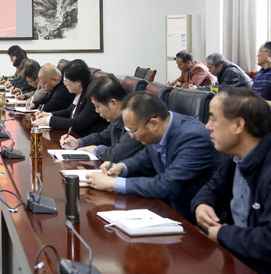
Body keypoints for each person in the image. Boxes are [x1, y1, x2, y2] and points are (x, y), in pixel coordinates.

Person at [192, 89, 271, 274]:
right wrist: (202, 205)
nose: (207, 127)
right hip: (237, 257)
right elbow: (212, 188)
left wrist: (222, 234)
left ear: (238, 125)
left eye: (213, 119)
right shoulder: (235, 155)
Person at [86, 91, 219, 223]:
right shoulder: (161, 129)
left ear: (154, 124)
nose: (132, 136)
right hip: (165, 209)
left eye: (134, 131)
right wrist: (121, 167)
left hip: (192, 218)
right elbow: (143, 159)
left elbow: (166, 185)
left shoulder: (193, 138)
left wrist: (112, 183)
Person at [60, 74, 144, 162]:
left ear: (113, 103)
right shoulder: (116, 119)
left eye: (98, 106)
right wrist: (78, 142)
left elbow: (117, 154)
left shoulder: (135, 122)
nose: (96, 111)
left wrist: (95, 150)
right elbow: (102, 137)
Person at [31, 60, 107, 136]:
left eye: (67, 81)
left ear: (78, 81)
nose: (65, 84)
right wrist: (49, 114)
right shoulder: (79, 93)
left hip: (88, 138)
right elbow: (68, 112)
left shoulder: (92, 96)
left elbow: (78, 124)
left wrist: (49, 120)